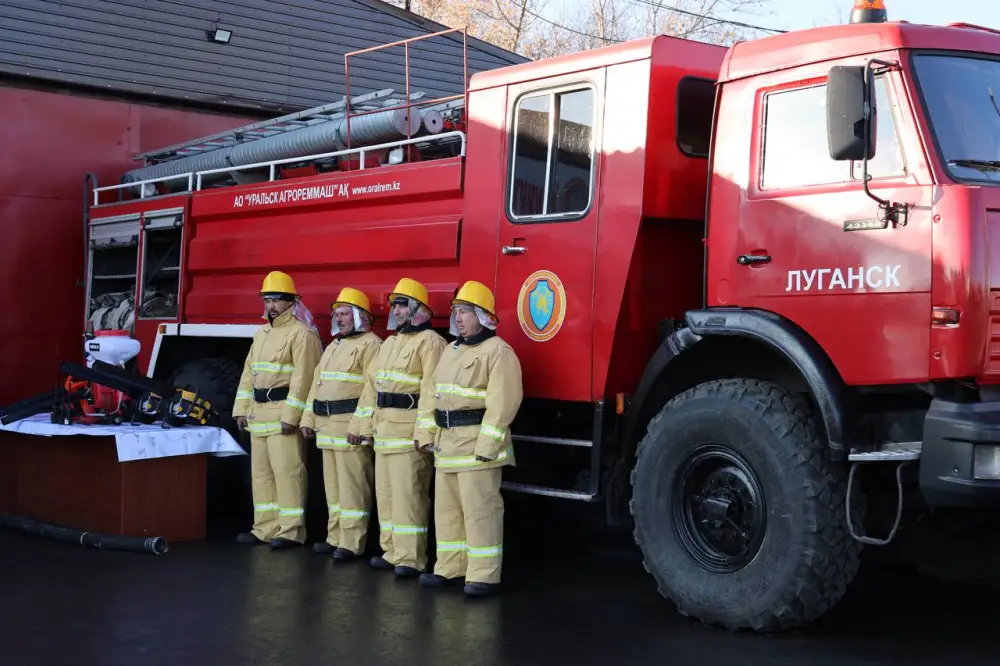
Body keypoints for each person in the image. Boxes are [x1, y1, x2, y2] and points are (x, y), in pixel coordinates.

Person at [418, 280, 522, 596]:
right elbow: (431, 395)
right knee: (447, 513)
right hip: (447, 446)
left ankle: (483, 575)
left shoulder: (498, 351)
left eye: (464, 311)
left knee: (481, 513)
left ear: (482, 315)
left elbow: (504, 402)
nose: (458, 318)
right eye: (456, 312)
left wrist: (487, 447)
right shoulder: (451, 350)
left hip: (477, 449)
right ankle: (450, 569)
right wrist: (425, 433)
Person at [347, 277, 445, 577]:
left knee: (408, 498)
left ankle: (410, 558)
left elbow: (431, 392)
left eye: (402, 305)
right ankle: (391, 552)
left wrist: (424, 433)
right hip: (384, 432)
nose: (397, 310)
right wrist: (361, 425)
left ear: (418, 308)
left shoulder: (431, 343)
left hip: (408, 435)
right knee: (387, 497)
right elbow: (370, 389)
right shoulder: (390, 342)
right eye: (395, 305)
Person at [233, 270, 322, 548]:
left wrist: (291, 417)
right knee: (261, 476)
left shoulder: (302, 334)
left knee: (288, 474)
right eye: (267, 299)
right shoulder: (262, 334)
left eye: (276, 300)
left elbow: (304, 379)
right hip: (259, 414)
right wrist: (240, 409)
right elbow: (249, 374)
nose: (270, 305)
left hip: (282, 414)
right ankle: (264, 528)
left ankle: (291, 531)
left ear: (290, 302)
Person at [301, 288, 382, 561]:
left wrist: (361, 426)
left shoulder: (371, 345)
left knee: (353, 489)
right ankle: (334, 537)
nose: (340, 318)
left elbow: (372, 391)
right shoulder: (335, 345)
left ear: (360, 316)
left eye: (345, 313)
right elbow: (316, 384)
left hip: (350, 429)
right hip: (327, 427)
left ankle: (352, 542)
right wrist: (308, 419)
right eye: (337, 314)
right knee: (334, 490)